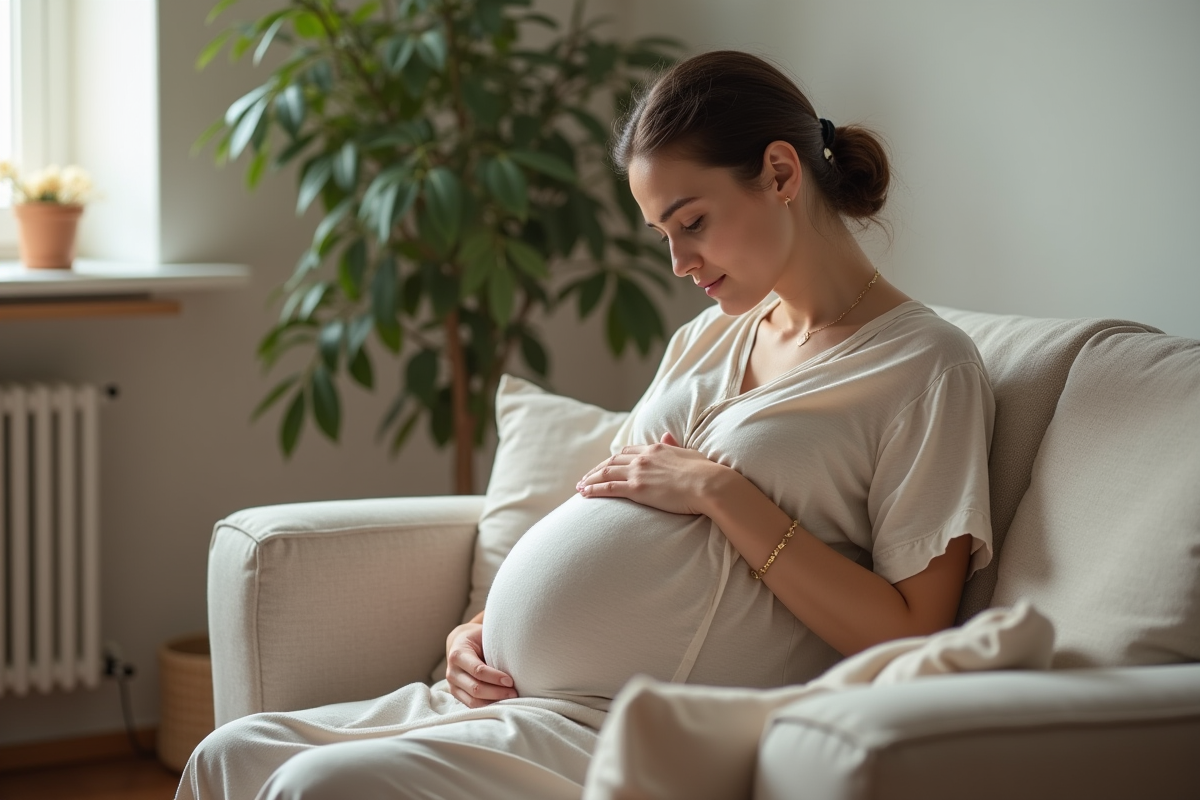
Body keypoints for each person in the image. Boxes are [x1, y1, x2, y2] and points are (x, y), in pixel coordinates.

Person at [177, 50, 994, 800]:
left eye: (692, 222)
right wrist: (476, 629)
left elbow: (913, 637)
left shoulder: (925, 368)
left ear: (780, 172)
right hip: (512, 695)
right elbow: (597, 508)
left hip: (626, 728)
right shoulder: (705, 339)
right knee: (228, 755)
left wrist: (722, 493)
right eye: (663, 234)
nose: (678, 263)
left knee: (314, 788)